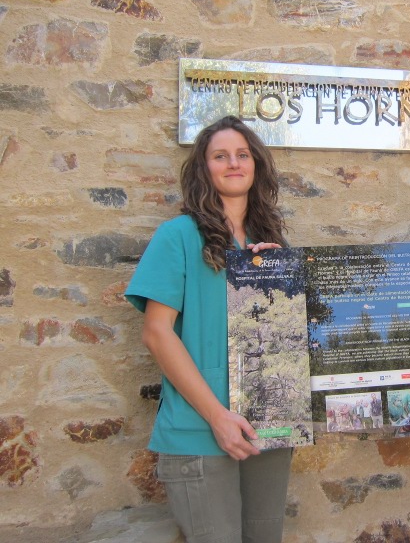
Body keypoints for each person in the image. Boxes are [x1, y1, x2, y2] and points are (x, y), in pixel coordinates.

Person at [125, 115, 293, 543]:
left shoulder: (269, 241)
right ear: (204, 168)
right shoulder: (177, 236)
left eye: (242, 154)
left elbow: (282, 339)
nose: (233, 163)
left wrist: (275, 281)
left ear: (256, 165)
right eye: (220, 156)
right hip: (200, 431)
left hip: (267, 427)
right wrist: (218, 417)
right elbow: (157, 333)